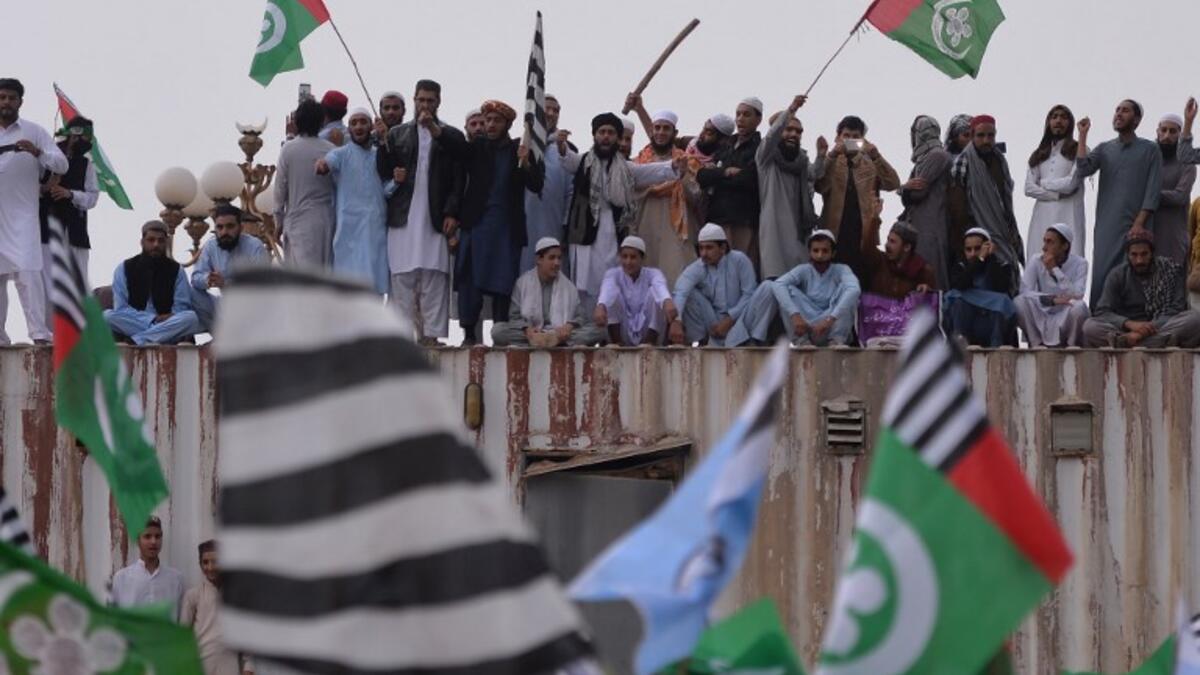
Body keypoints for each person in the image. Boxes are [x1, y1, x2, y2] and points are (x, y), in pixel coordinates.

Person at [443, 99, 543, 345]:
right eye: (487, 120)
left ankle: (500, 335)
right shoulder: (476, 148)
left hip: (505, 227)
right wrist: (436, 129)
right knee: (469, 280)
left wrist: (526, 162)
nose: (490, 125)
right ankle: (468, 335)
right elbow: (455, 148)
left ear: (507, 124)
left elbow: (536, 184)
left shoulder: (519, 149)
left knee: (503, 281)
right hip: (476, 224)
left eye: (496, 120)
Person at [562, 112, 680, 316]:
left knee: (608, 281)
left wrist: (673, 167)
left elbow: (651, 171)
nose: (606, 137)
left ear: (617, 137)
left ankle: (606, 331)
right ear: (594, 136)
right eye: (602, 132)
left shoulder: (625, 168)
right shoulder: (582, 162)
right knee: (581, 285)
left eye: (610, 133)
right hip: (583, 235)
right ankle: (585, 331)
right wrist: (561, 145)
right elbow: (566, 159)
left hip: (611, 232)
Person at [377, 80, 463, 345]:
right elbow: (382, 171)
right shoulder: (397, 134)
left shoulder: (450, 135)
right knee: (402, 279)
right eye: (421, 100)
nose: (425, 106)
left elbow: (459, 177)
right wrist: (383, 146)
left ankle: (431, 338)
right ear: (414, 100)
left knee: (434, 278)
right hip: (403, 217)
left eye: (430, 101)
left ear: (438, 102)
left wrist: (452, 212)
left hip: (435, 219)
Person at [1075, 100, 1162, 307]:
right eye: (1117, 110)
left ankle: (1136, 319)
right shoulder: (1105, 149)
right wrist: (1082, 135)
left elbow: (1153, 191)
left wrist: (1139, 223)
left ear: (1137, 119)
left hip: (1136, 224)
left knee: (1137, 268)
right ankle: (1101, 316)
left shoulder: (1150, 150)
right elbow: (1083, 169)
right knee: (1103, 270)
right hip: (1108, 225)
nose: (1119, 114)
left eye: (1125, 110)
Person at [0, 77, 67, 345]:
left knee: (28, 272)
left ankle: (39, 332)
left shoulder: (34, 131)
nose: (6, 102)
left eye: (11, 98)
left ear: (20, 102)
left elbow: (61, 165)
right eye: (2, 97)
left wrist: (38, 152)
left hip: (23, 216)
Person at [622, 96, 701, 285]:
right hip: (644, 225)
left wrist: (682, 177)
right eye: (657, 128)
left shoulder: (686, 161)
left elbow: (696, 197)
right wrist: (648, 190)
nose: (661, 132)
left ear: (675, 133)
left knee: (674, 280)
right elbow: (630, 195)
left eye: (666, 128)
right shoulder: (638, 162)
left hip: (675, 232)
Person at [815, 115, 901, 284]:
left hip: (863, 236)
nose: (851, 140)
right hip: (834, 236)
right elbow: (818, 185)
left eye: (856, 137)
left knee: (862, 285)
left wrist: (876, 156)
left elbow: (893, 183)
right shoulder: (830, 161)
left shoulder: (869, 163)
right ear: (838, 137)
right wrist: (832, 155)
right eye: (846, 136)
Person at [36, 116, 100, 332]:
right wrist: (45, 189)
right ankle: (49, 334)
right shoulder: (46, 159)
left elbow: (92, 198)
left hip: (74, 232)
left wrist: (69, 194)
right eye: (76, 135)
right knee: (47, 284)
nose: (78, 140)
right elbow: (28, 189)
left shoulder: (86, 165)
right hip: (46, 230)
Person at [1083, 230, 1200, 348]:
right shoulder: (1117, 275)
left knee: (1194, 319)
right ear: (1128, 255)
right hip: (1126, 329)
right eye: (1134, 255)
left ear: (1152, 253)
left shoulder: (1170, 271)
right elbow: (1102, 311)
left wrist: (1142, 332)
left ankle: (1125, 343)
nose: (1139, 260)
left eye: (1144, 254)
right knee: (1090, 326)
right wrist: (1129, 324)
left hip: (1159, 326)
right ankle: (1159, 342)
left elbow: (1176, 309)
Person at [948, 115, 1024, 295]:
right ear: (973, 135)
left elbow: (1005, 201)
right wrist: (970, 237)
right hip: (977, 232)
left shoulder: (999, 160)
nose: (986, 140)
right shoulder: (963, 161)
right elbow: (957, 206)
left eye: (990, 136)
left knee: (1006, 279)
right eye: (981, 135)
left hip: (1002, 230)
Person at [316, 108, 389, 295]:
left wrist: (397, 181)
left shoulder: (379, 155)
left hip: (375, 230)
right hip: (349, 234)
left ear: (371, 126)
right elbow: (328, 162)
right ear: (348, 128)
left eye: (363, 122)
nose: (358, 126)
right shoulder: (341, 153)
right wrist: (322, 165)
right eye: (354, 123)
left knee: (374, 292)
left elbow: (387, 188)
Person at [492, 237, 602, 347]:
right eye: (552, 258)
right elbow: (514, 316)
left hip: (558, 335)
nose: (557, 263)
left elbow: (580, 317)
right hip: (532, 335)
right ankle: (545, 342)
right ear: (539, 259)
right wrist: (527, 330)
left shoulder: (568, 287)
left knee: (599, 331)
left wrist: (569, 326)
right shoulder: (523, 283)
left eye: (559, 258)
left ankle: (552, 341)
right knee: (498, 331)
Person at [104, 220, 201, 346]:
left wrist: (168, 319)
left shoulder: (177, 270)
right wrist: (152, 319)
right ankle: (155, 337)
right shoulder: (124, 268)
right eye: (151, 240)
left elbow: (181, 307)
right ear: (142, 242)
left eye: (160, 241)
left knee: (190, 318)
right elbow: (121, 307)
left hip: (167, 324)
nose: (156, 245)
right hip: (139, 323)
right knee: (107, 316)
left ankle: (138, 340)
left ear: (166, 243)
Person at [696, 98, 764, 272]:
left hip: (743, 220)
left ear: (758, 120)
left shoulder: (760, 148)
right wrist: (725, 172)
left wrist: (717, 175)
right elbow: (702, 176)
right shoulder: (726, 145)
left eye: (746, 114)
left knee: (741, 271)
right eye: (738, 114)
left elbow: (748, 179)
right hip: (717, 219)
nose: (740, 119)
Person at [756, 95, 818, 280]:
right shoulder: (766, 159)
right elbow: (771, 137)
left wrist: (823, 155)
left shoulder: (802, 163)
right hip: (774, 234)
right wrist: (791, 109)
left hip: (799, 236)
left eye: (799, 132)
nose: (794, 134)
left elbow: (816, 176)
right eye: (788, 129)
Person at [668, 223, 758, 346]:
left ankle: (755, 340)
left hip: (740, 318)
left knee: (766, 289)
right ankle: (699, 342)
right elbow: (681, 291)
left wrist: (730, 319)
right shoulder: (698, 266)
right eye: (701, 248)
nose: (704, 253)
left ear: (723, 248)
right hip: (713, 323)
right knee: (689, 294)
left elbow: (749, 294)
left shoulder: (739, 260)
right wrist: (676, 321)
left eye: (709, 248)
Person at [768, 229, 861, 346]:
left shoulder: (841, 270)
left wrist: (829, 320)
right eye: (815, 251)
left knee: (849, 292)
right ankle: (801, 342)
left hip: (832, 326)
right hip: (806, 327)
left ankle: (836, 340)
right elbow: (778, 284)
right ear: (809, 252)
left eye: (825, 251)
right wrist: (795, 315)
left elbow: (854, 290)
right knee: (786, 290)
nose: (820, 255)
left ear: (833, 253)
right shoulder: (804, 270)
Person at [274, 99, 335, 268]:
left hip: (298, 221)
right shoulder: (331, 149)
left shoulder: (288, 149)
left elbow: (280, 188)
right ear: (322, 121)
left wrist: (278, 220)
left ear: (297, 122)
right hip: (327, 221)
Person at [857, 221, 937, 347]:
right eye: (888, 240)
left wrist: (927, 290)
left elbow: (932, 306)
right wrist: (874, 220)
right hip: (879, 333)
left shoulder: (922, 270)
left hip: (907, 338)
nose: (887, 245)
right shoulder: (880, 261)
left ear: (906, 247)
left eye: (893, 242)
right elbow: (867, 249)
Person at [189, 205, 267, 333]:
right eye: (220, 227)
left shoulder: (254, 246)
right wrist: (208, 279)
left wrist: (225, 284)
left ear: (240, 228)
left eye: (230, 226)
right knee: (191, 294)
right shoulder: (211, 246)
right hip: (223, 305)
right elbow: (195, 277)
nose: (224, 232)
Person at [1024, 105, 1085, 262]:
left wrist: (1044, 183)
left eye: (1064, 117)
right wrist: (1056, 194)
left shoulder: (1079, 150)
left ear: (1070, 123)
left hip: (1069, 214)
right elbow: (1029, 188)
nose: (1058, 121)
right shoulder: (1039, 154)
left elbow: (1071, 183)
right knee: (1037, 258)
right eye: (1055, 117)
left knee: (1070, 260)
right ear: (1048, 122)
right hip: (1042, 215)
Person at [521, 95, 573, 274]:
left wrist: (567, 228)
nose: (551, 113)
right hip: (524, 229)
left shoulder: (566, 149)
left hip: (555, 226)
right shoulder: (521, 147)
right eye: (546, 108)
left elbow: (571, 194)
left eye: (556, 110)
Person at [1014, 223, 1089, 347]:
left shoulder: (1080, 263)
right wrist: (1051, 299)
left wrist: (1055, 270)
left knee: (1080, 308)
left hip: (1065, 314)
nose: (1044, 247)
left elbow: (1078, 295)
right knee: (1018, 302)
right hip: (1042, 313)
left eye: (1050, 242)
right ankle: (1036, 344)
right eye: (1044, 241)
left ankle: (1071, 345)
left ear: (1064, 246)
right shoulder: (1036, 260)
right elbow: (1024, 291)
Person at [901, 115, 953, 290]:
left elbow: (918, 192)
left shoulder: (937, 155)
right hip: (920, 224)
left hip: (931, 224)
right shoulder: (923, 160)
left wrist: (904, 189)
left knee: (932, 272)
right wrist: (905, 188)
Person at [594, 236, 677, 346]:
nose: (628, 262)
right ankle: (617, 344)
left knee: (656, 295)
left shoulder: (653, 273)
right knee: (610, 297)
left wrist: (667, 301)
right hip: (624, 329)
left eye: (633, 257)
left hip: (647, 330)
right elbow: (607, 289)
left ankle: (649, 343)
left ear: (642, 259)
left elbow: (660, 286)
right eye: (624, 257)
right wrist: (601, 305)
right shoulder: (613, 274)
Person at [943, 227, 1017, 347]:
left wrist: (990, 258)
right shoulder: (960, 267)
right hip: (967, 323)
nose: (972, 253)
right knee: (957, 300)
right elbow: (961, 284)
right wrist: (980, 260)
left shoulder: (1002, 266)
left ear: (987, 246)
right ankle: (959, 347)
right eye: (968, 249)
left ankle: (996, 350)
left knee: (1001, 302)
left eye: (977, 249)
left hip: (990, 324)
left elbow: (1001, 288)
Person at [181, 540, 241, 675]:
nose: (210, 567)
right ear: (200, 564)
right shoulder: (193, 595)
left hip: (230, 666)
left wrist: (249, 666)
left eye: (215, 561)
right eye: (205, 562)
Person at [110, 517, 185, 619]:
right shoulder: (122, 578)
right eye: (147, 536)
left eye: (157, 536)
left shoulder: (175, 579)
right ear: (138, 540)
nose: (153, 541)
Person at [1153, 113, 1195, 266]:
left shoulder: (1187, 163)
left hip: (1173, 239)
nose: (1167, 135)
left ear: (1179, 134)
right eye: (1163, 130)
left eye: (1172, 131)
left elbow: (1180, 197)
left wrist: (1149, 194)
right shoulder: (1147, 159)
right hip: (1144, 236)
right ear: (1157, 132)